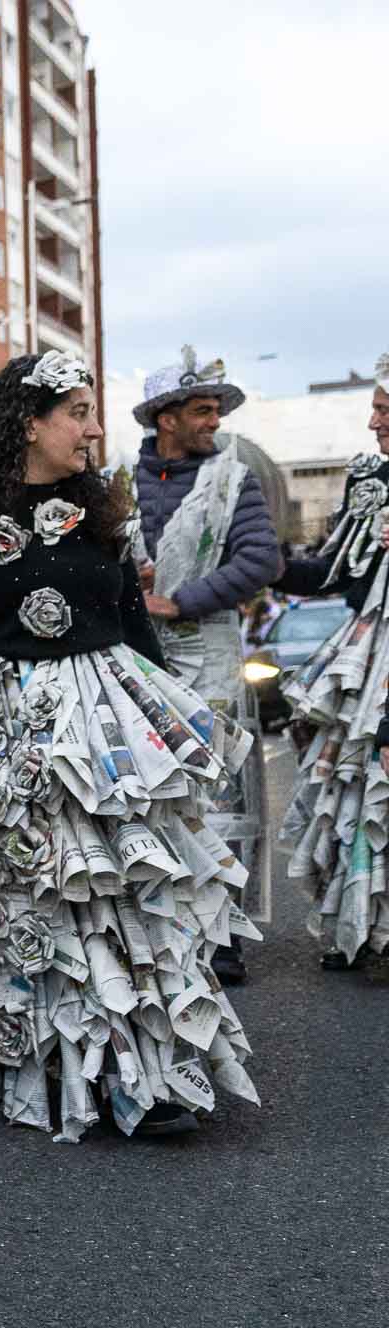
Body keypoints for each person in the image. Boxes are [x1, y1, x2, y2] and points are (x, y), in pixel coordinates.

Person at [0, 350, 259, 1142]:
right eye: (77, 412)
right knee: (18, 903)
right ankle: (30, 1065)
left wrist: (168, 734)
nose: (94, 428)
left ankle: (145, 1077)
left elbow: (135, 630)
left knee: (115, 907)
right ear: (28, 422)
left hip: (98, 726)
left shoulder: (101, 506)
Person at [131, 347, 279, 984]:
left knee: (216, 795)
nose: (213, 422)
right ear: (165, 418)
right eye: (200, 411)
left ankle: (221, 936)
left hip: (210, 653)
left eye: (216, 411)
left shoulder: (234, 478)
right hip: (137, 655)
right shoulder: (114, 482)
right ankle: (151, 923)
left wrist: (178, 598)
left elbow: (260, 562)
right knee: (140, 790)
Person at [274, 356, 389, 972]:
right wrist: (267, 560)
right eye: (373, 409)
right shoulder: (369, 480)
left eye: (384, 411)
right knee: (352, 785)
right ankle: (359, 925)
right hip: (366, 661)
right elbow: (329, 571)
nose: (373, 423)